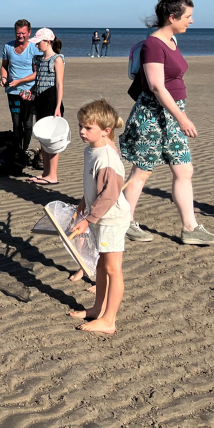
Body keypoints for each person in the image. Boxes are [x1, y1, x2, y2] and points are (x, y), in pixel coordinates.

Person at [119, 0, 214, 246]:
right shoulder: (153, 45)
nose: (192, 21)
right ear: (172, 18)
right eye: (188, 17)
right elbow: (156, 86)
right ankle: (125, 222)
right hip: (152, 116)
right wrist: (182, 118)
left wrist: (179, 116)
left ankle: (190, 228)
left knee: (184, 169)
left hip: (172, 115)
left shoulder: (172, 41)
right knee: (142, 171)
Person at [68, 99, 131, 334]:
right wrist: (82, 206)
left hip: (111, 220)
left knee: (113, 269)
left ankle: (109, 320)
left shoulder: (107, 159)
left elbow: (109, 195)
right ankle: (98, 308)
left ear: (106, 131)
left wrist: (88, 219)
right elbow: (93, 188)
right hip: (98, 217)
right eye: (80, 126)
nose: (82, 132)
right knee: (100, 265)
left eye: (88, 128)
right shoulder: (91, 150)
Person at [27, 28, 65, 185]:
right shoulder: (38, 59)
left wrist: (58, 107)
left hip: (51, 101)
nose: (36, 46)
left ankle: (52, 175)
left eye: (38, 43)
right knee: (43, 138)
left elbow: (59, 84)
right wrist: (31, 91)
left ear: (48, 42)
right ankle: (45, 173)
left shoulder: (57, 59)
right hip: (40, 100)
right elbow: (38, 81)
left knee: (52, 140)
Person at [0, 19, 38, 153]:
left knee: (27, 124)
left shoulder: (34, 48)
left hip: (29, 91)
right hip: (12, 91)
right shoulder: (8, 47)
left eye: (23, 33)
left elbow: (37, 73)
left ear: (29, 33)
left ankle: (24, 150)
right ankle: (17, 150)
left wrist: (20, 81)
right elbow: (4, 66)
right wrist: (4, 77)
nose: (20, 36)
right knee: (16, 124)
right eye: (18, 33)